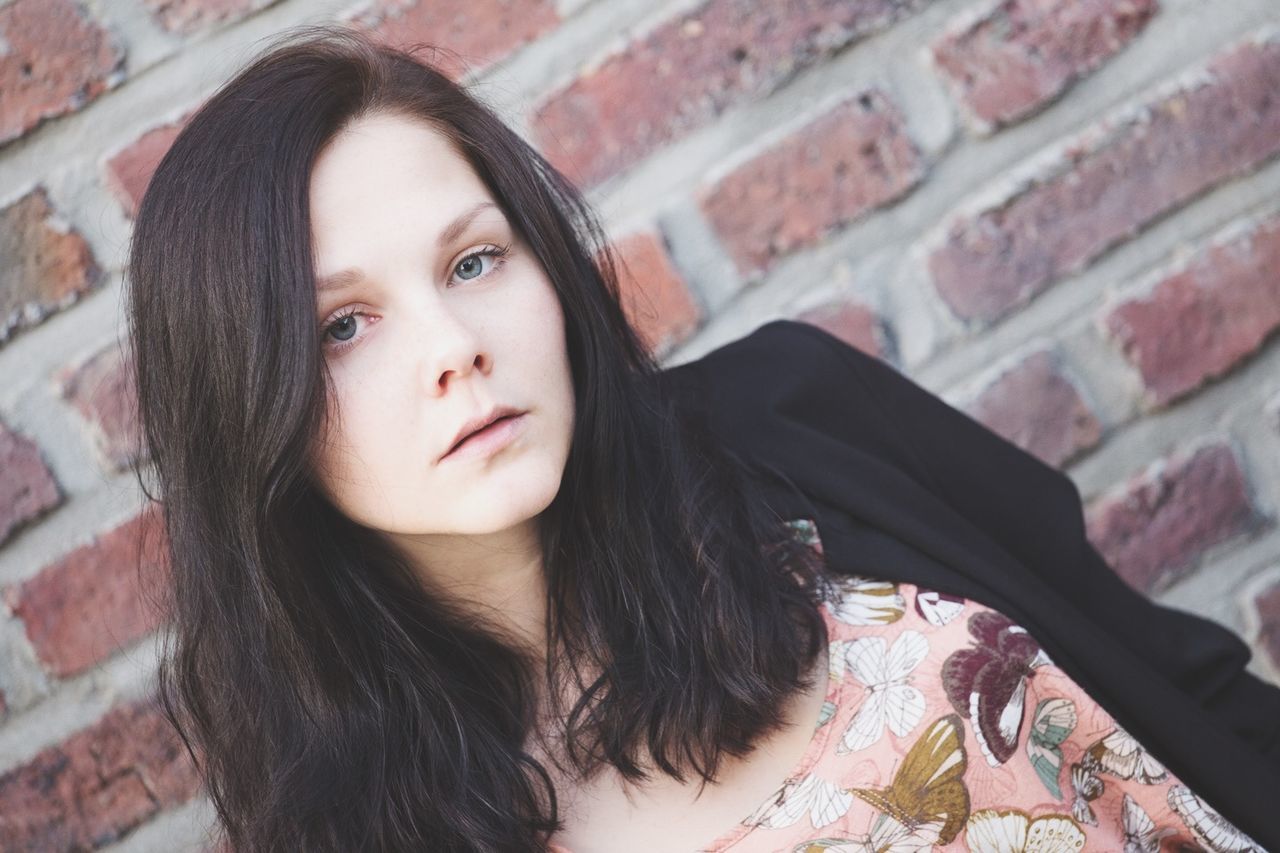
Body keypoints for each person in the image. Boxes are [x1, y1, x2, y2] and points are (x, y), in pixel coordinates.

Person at [124, 24, 1279, 852]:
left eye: (474, 260)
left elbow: (1192, 689)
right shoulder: (351, 827)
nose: (452, 346)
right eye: (341, 325)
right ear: (246, 409)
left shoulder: (790, 413)